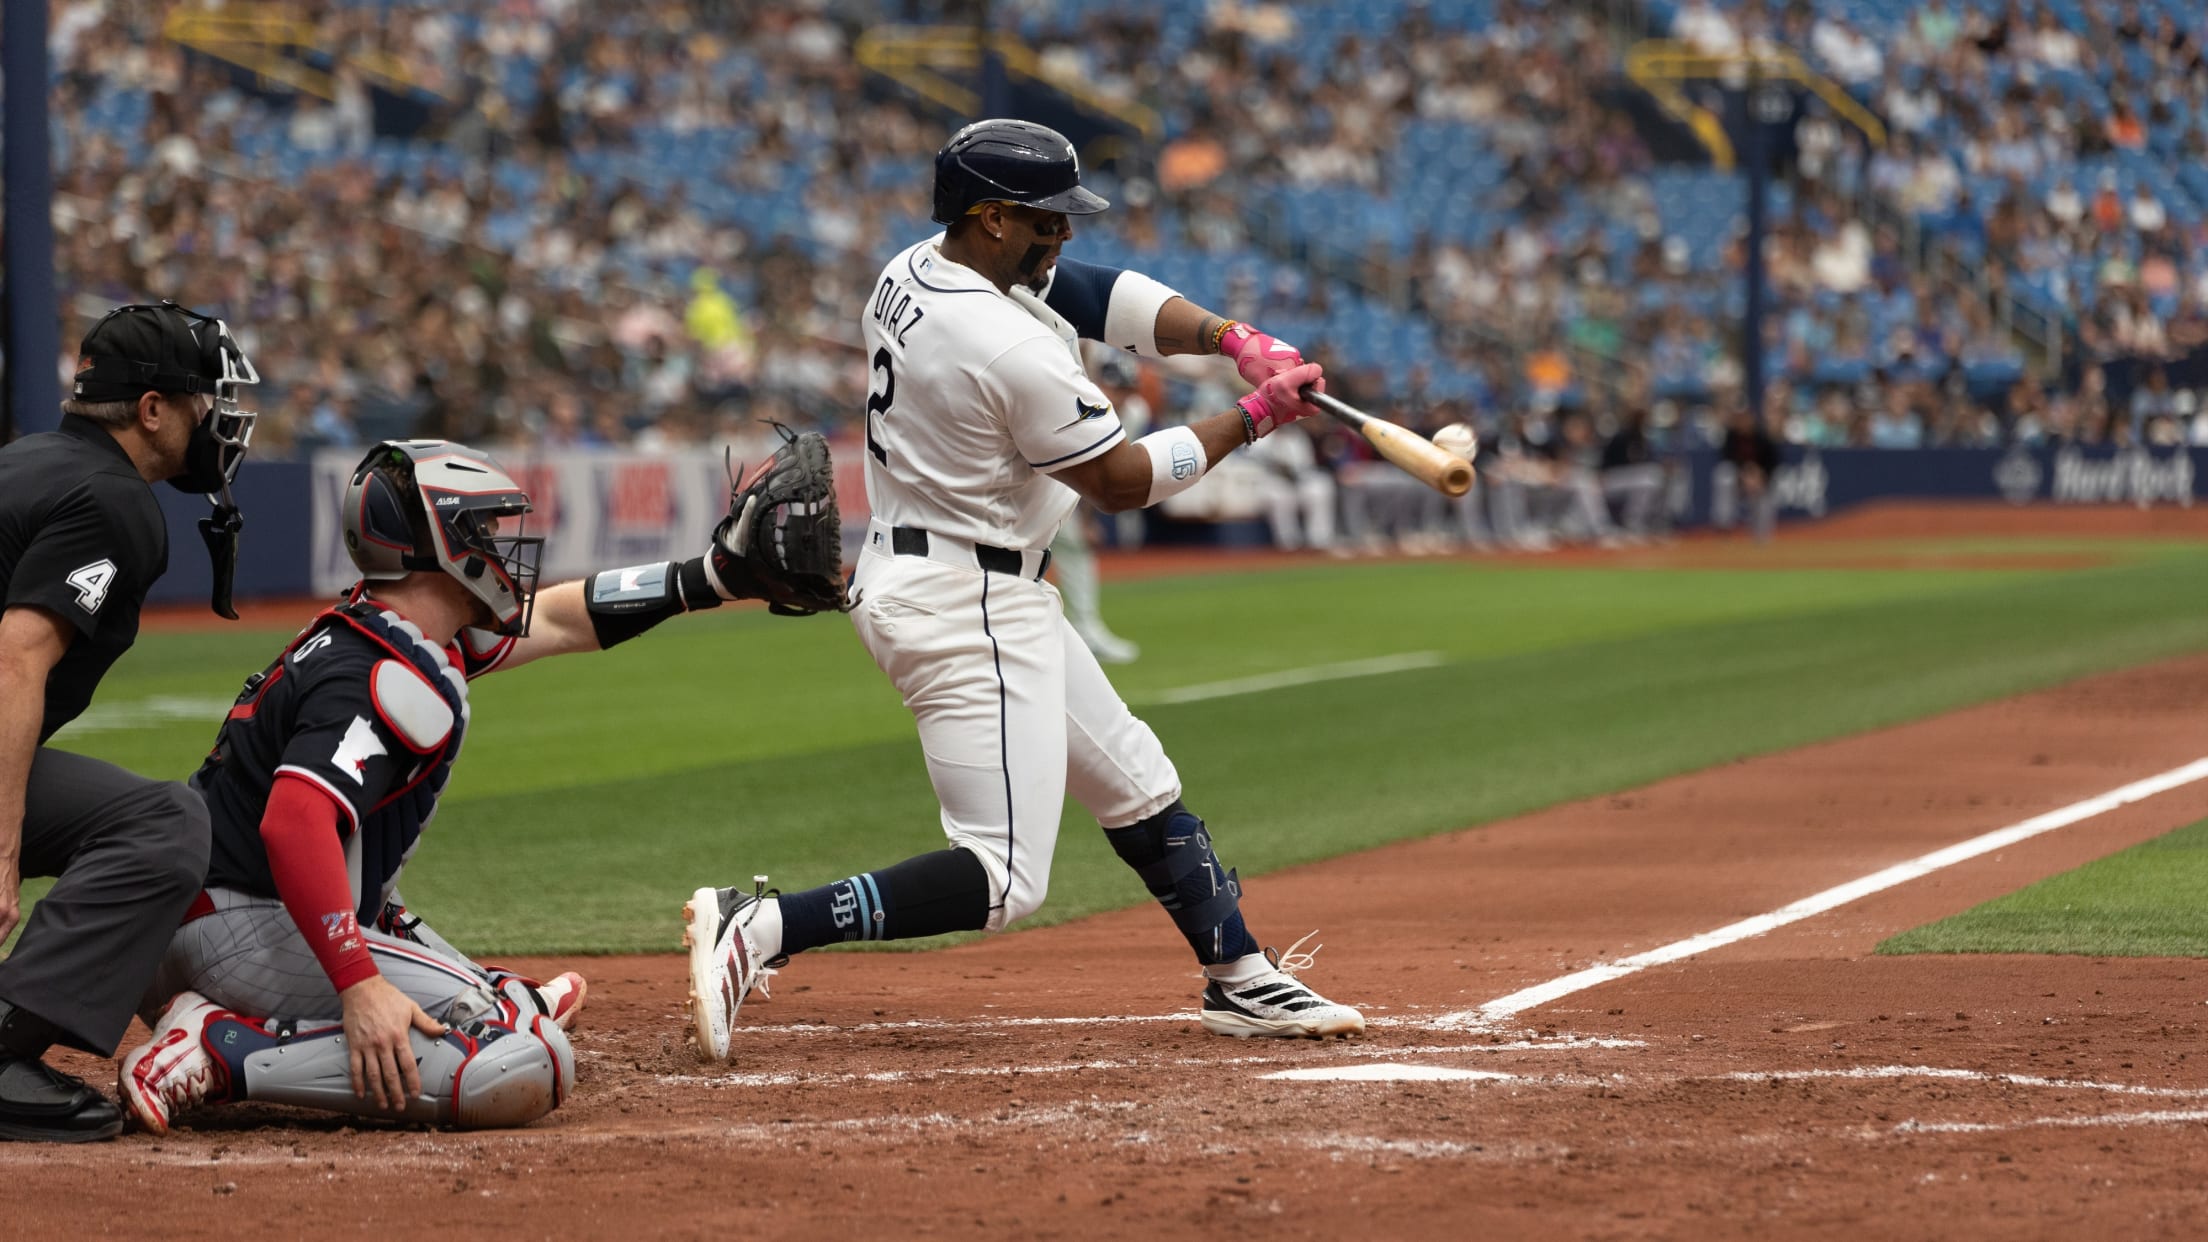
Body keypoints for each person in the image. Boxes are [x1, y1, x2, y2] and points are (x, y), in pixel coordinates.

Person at [683, 118, 1362, 1061]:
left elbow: (1087, 291)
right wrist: (1251, 416)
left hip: (956, 575)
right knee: (1004, 880)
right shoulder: (1002, 344)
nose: (1064, 235)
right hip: (970, 602)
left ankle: (1240, 978)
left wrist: (1228, 336)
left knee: (1135, 779)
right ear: (993, 220)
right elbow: (1120, 484)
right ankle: (761, 926)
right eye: (1046, 219)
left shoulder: (918, 266)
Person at [116, 433, 847, 1133]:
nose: (498, 549)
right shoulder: (388, 673)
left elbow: (563, 619)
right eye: (481, 531)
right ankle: (222, 1050)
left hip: (194, 926)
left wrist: (712, 579)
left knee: (505, 1007)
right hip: (241, 935)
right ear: (440, 545)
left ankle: (440, 996)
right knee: (523, 1057)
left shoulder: (386, 629)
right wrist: (358, 984)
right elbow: (294, 823)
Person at [0, 301, 259, 1142]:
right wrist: (2, 850)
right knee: (162, 823)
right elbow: (18, 657)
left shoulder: (29, 460)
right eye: (201, 403)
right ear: (152, 411)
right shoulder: (115, 500)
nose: (216, 422)